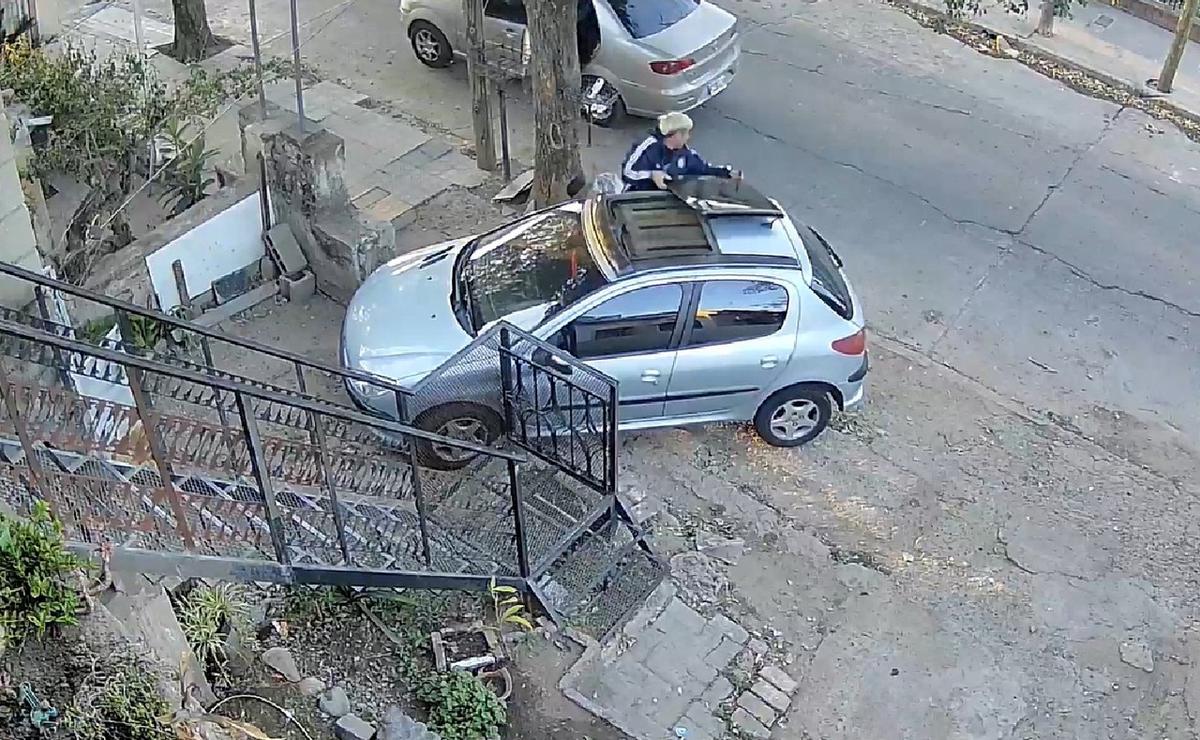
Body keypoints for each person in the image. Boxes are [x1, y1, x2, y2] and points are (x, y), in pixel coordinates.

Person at [621, 112, 742, 192]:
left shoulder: (685, 154)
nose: (688, 137)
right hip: (636, 199)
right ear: (677, 134)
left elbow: (704, 168)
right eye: (686, 133)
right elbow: (628, 172)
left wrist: (727, 173)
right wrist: (651, 175)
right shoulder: (648, 146)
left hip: (663, 203)